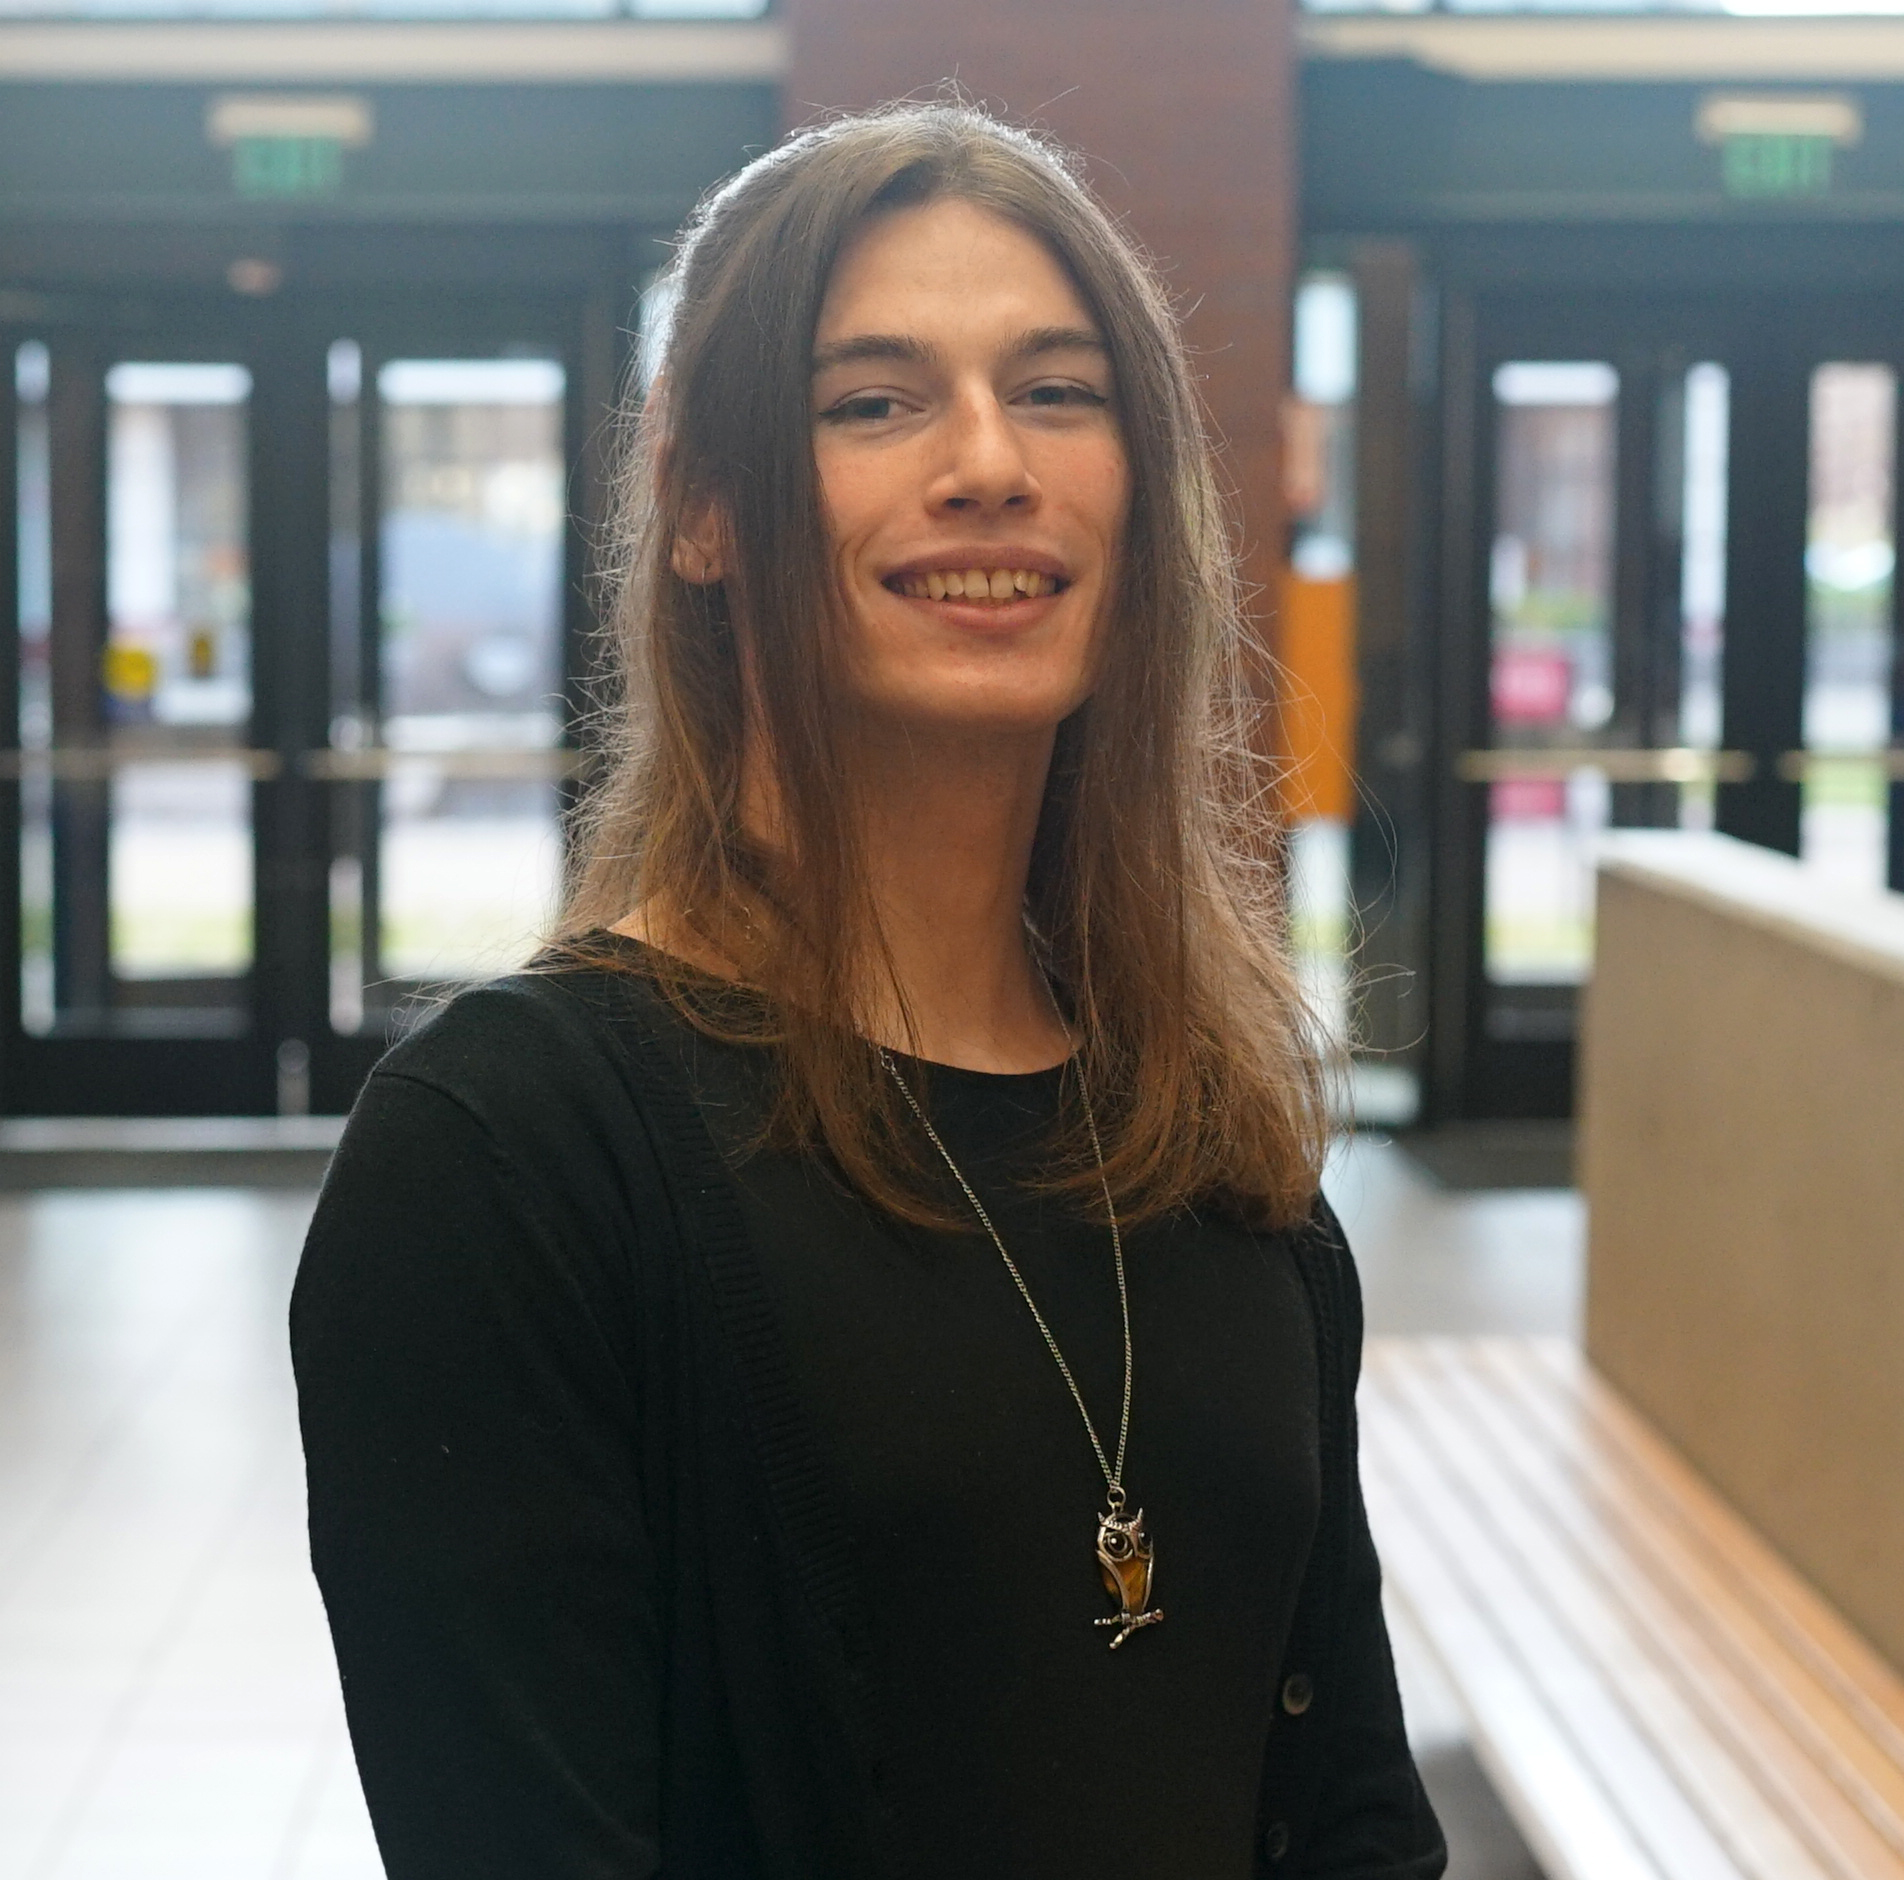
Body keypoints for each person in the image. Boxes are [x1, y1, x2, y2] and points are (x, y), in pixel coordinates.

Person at [291, 102, 1446, 1880]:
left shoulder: (1214, 1147)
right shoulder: (508, 1154)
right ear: (704, 513)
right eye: (874, 401)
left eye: (1061, 393)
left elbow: (1355, 1807)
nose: (991, 462)